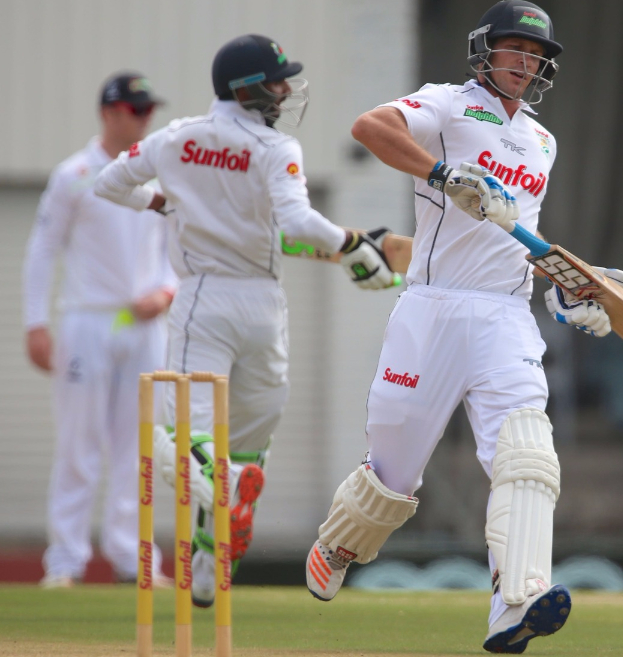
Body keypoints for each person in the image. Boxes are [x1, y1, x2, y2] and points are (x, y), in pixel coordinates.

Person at [303, 1, 623, 652]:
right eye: (515, 49)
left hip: (506, 315)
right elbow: (369, 127)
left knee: (527, 457)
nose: (526, 63)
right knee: (393, 474)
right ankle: (340, 541)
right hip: (433, 307)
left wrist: (568, 289)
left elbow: (516, 239)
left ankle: (517, 602)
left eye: (536, 55)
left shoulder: (542, 142)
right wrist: (442, 172)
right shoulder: (448, 105)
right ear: (486, 49)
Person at [93, 34, 397, 608]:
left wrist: (162, 202)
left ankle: (226, 487)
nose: (285, 90)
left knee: (186, 438)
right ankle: (210, 563)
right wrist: (353, 245)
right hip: (263, 306)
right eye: (277, 81)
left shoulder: (174, 138)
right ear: (247, 88)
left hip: (203, 301)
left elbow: (108, 183)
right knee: (248, 442)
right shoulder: (273, 147)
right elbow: (298, 225)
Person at [23, 72, 175, 589]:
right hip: (87, 320)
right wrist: (35, 324)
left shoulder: (157, 174)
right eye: (137, 109)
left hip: (145, 325)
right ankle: (65, 561)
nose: (146, 118)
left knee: (140, 446)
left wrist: (166, 293)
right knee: (79, 443)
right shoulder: (74, 174)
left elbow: (178, 247)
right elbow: (43, 249)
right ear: (109, 113)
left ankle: (134, 557)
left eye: (149, 109)